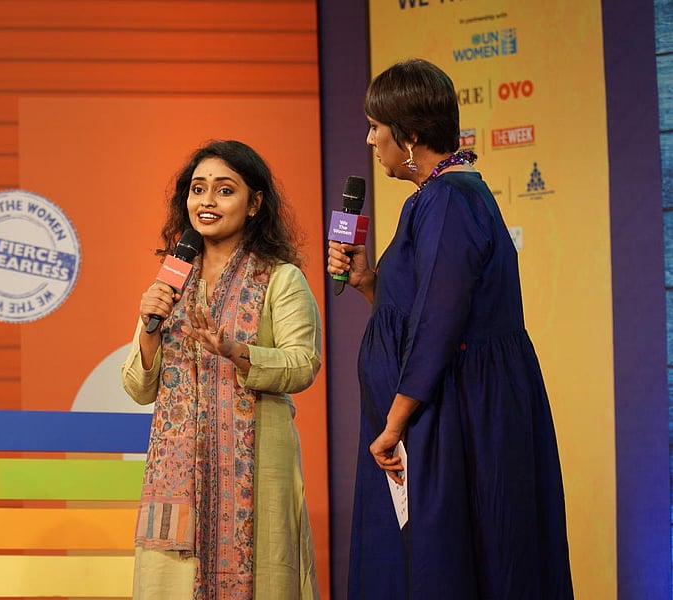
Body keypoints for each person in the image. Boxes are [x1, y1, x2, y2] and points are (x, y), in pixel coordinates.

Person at [328, 58, 574, 599]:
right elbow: (424, 306)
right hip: (447, 409)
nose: (370, 139)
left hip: (453, 415)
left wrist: (393, 423)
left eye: (376, 127)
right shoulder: (445, 196)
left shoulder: (444, 200)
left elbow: (439, 323)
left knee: (453, 564)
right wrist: (370, 281)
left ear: (410, 136)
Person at [122, 139, 322, 600]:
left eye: (224, 190)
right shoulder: (171, 278)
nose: (207, 201)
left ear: (254, 204)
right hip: (176, 484)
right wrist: (150, 328)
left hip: (256, 475)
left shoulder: (280, 277)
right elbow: (137, 385)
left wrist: (234, 349)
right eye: (198, 189)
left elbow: (303, 363)